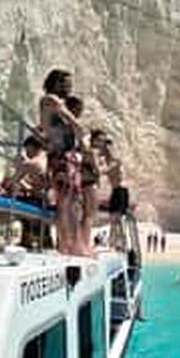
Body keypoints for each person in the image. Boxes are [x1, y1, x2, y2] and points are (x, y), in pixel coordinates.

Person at [39, 69, 88, 255]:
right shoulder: (50, 99)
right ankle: (69, 246)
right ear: (56, 83)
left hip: (66, 156)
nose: (70, 88)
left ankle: (71, 244)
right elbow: (73, 122)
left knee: (72, 201)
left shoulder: (55, 101)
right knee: (67, 201)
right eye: (67, 84)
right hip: (60, 157)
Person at [66, 96, 99, 254]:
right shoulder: (87, 148)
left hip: (78, 177)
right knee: (89, 215)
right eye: (79, 109)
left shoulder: (72, 136)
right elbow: (94, 167)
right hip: (87, 181)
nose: (81, 112)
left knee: (79, 213)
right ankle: (83, 245)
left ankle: (78, 244)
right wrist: (97, 171)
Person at [100, 137, 129, 251]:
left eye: (107, 148)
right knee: (113, 218)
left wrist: (96, 170)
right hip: (116, 191)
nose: (106, 151)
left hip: (121, 191)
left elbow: (107, 169)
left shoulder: (116, 160)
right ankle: (114, 243)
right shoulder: (106, 160)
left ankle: (122, 244)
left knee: (118, 218)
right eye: (104, 148)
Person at [3, 135, 47, 205]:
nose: (26, 153)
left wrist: (4, 187)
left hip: (41, 201)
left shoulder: (33, 163)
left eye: (27, 150)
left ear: (32, 147)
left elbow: (12, 181)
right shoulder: (46, 157)